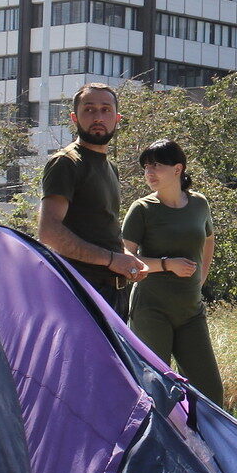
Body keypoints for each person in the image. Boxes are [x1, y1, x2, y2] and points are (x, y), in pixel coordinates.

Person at [121, 138, 222, 407]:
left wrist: (201, 277)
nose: (149, 173)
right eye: (146, 168)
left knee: (210, 393)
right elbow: (125, 257)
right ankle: (157, 448)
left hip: (190, 310)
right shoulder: (141, 209)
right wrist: (166, 264)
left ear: (178, 169)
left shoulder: (199, 204)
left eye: (156, 166)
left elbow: (209, 239)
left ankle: (207, 449)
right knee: (157, 391)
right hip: (151, 309)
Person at [38, 83, 147, 313]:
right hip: (79, 293)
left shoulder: (110, 168)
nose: (98, 116)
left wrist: (126, 258)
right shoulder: (66, 163)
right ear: (74, 117)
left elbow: (102, 232)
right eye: (89, 109)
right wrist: (111, 260)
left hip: (114, 294)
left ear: (117, 118)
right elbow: (49, 232)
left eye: (105, 110)